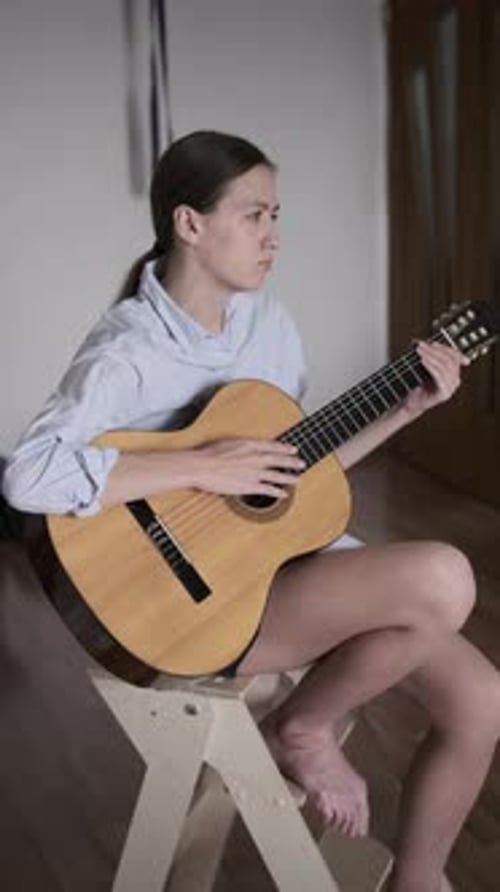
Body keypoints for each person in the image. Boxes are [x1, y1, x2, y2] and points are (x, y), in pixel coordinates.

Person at [3, 130, 500, 892]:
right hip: (197, 606)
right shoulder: (126, 348)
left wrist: (406, 410)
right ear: (189, 224)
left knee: (483, 699)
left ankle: (418, 880)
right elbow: (27, 478)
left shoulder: (269, 326)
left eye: (277, 216)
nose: (274, 235)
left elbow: (291, 482)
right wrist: (201, 463)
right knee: (442, 575)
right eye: (255, 214)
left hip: (277, 568)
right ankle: (301, 726)